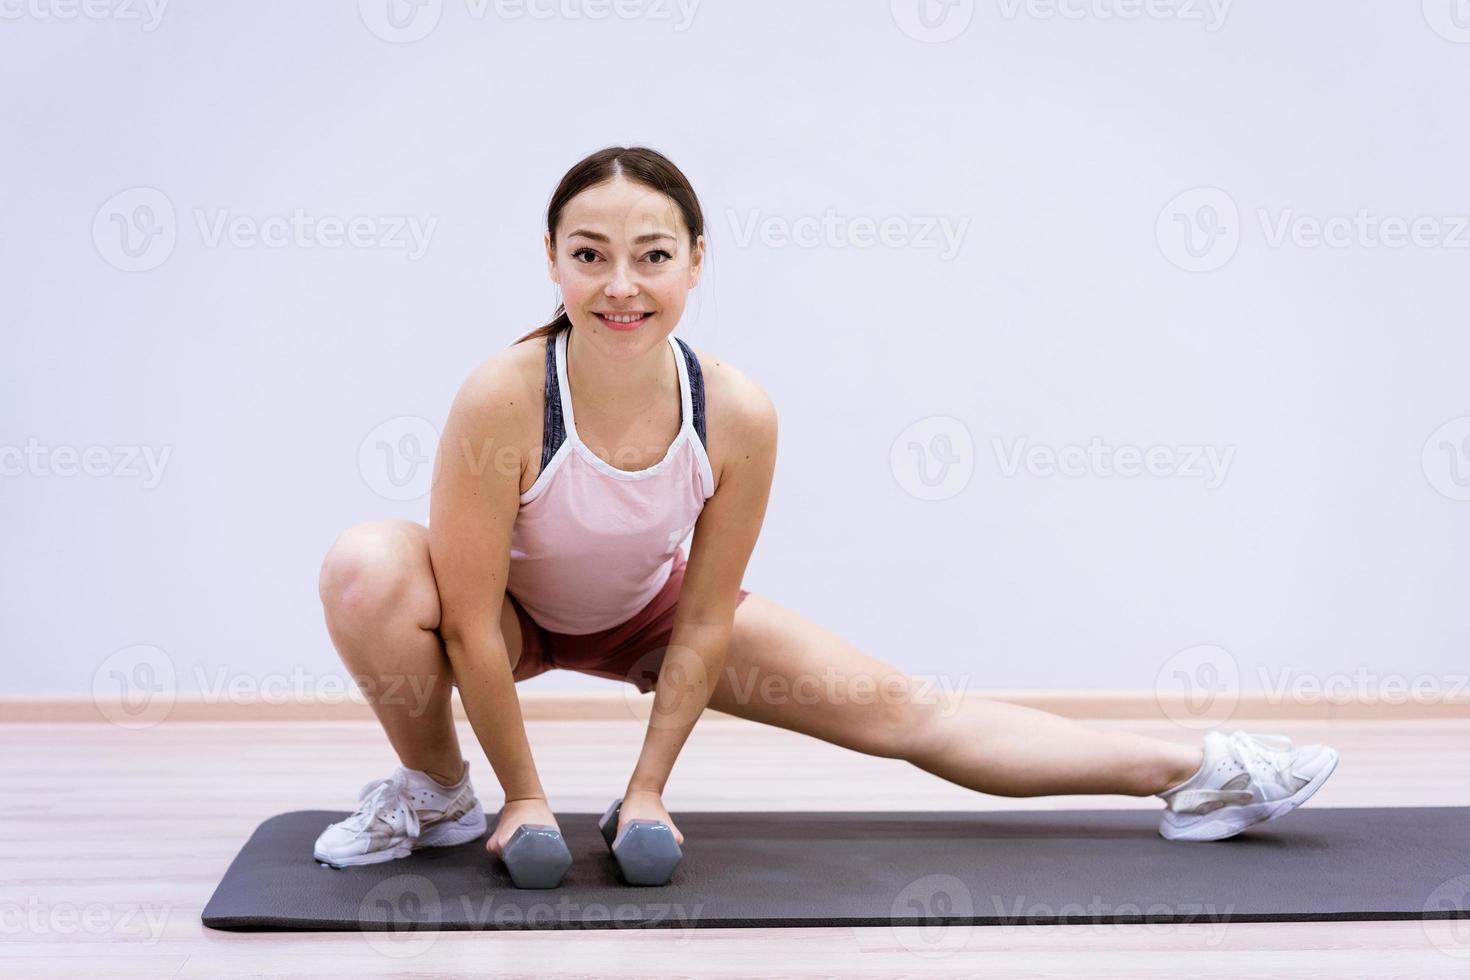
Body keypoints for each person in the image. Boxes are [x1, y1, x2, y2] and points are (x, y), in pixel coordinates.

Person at [311, 146, 1339, 871]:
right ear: (552, 258)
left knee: (910, 711)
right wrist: (526, 798)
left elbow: (705, 620)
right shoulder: (505, 392)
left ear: (696, 261)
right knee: (369, 563)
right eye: (590, 254)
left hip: (651, 618)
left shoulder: (737, 411)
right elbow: (468, 616)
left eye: (653, 255)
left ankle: (1201, 770)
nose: (621, 283)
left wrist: (648, 790)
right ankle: (438, 792)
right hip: (506, 618)